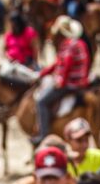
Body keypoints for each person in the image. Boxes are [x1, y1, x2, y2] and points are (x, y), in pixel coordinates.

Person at [32, 15, 91, 146]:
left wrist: (60, 81)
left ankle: (43, 134)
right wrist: (42, 73)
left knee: (41, 101)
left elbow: (66, 66)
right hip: (82, 82)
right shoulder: (80, 43)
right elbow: (58, 63)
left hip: (71, 84)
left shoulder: (67, 45)